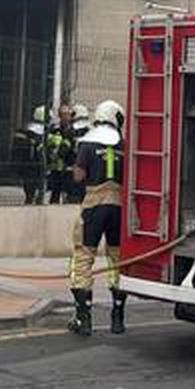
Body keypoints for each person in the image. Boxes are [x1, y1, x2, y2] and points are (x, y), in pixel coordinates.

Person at [68, 99, 126, 336]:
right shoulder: (123, 143)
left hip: (93, 206)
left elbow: (78, 176)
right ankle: (118, 318)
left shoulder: (87, 142)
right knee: (117, 259)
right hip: (118, 207)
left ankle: (84, 319)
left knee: (83, 258)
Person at [15, 105, 48, 205]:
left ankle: (31, 198)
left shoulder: (27, 130)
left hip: (29, 166)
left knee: (30, 188)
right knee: (33, 187)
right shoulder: (37, 132)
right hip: (35, 165)